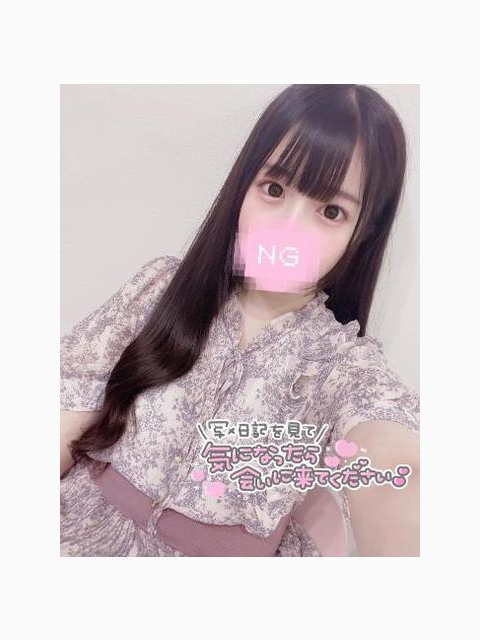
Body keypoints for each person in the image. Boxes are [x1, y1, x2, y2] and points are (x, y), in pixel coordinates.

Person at [60, 84, 420, 556]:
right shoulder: (161, 289)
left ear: (363, 230)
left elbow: (397, 464)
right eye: (274, 189)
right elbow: (68, 408)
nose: (287, 229)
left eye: (331, 211)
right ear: (244, 185)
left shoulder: (340, 365)